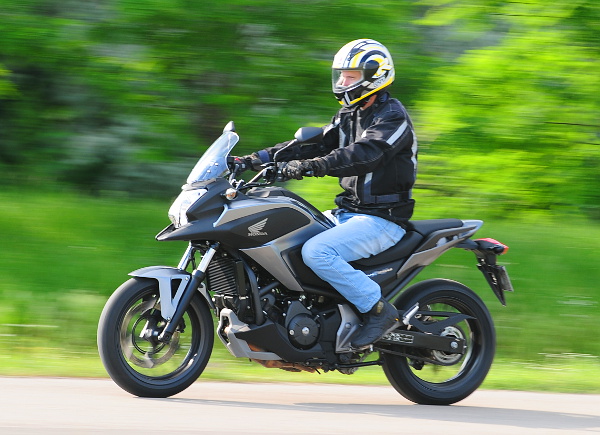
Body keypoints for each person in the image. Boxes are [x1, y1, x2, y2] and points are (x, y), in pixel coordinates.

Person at [237, 39, 418, 348]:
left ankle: (379, 310)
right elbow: (315, 143)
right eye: (342, 75)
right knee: (283, 240)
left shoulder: (392, 117)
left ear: (375, 76)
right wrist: (255, 159)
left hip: (382, 219)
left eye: (350, 76)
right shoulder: (350, 114)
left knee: (317, 252)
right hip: (348, 213)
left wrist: (312, 166)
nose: (343, 82)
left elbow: (366, 154)